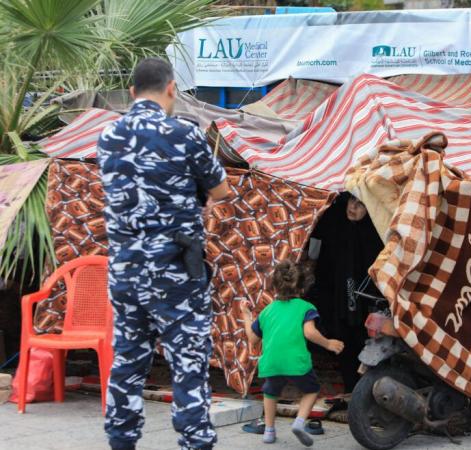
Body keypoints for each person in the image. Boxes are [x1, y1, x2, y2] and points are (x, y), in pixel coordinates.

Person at [97, 58, 231, 450]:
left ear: (133, 92)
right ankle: (194, 442)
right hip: (175, 273)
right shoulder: (185, 134)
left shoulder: (107, 136)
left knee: (127, 361)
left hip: (125, 271)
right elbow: (222, 192)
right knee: (187, 365)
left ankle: (121, 441)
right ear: (171, 89)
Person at [241, 260, 344, 447]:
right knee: (311, 390)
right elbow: (309, 332)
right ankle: (299, 422)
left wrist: (246, 316)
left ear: (275, 286)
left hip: (271, 362)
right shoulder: (306, 308)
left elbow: (253, 339)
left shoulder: (267, 310)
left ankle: (269, 431)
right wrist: (328, 343)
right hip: (296, 362)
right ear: (302, 286)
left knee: (270, 394)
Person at [307, 193, 384, 392]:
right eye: (351, 201)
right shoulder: (335, 224)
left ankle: (366, 391)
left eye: (360, 204)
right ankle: (351, 388)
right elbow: (319, 254)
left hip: (367, 298)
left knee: (365, 340)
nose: (353, 207)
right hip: (338, 294)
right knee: (343, 338)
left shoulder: (375, 232)